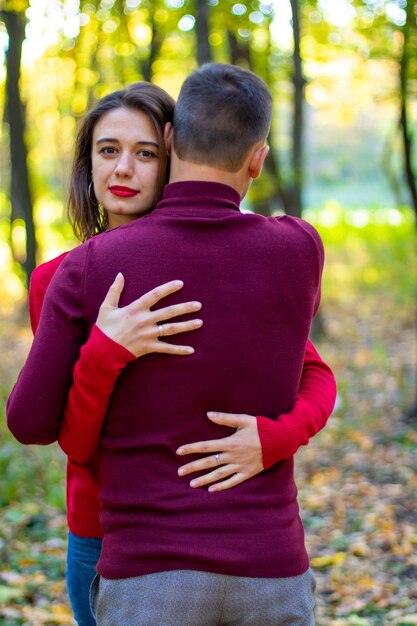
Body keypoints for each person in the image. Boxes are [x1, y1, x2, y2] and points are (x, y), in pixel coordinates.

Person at [7, 64, 336, 625]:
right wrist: (106, 350)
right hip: (105, 535)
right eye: (108, 151)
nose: (124, 169)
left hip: (166, 555)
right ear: (87, 163)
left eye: (145, 154)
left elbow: (315, 373)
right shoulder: (62, 278)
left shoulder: (209, 262)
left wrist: (275, 435)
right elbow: (74, 441)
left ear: (171, 147)